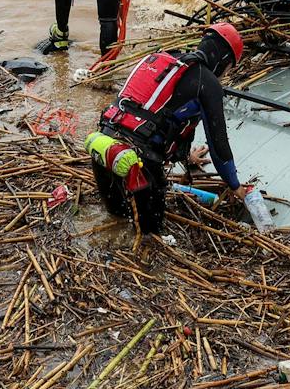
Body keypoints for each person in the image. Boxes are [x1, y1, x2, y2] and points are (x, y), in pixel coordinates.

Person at [85, 23, 249, 237]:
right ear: (224, 60)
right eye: (229, 68)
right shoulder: (207, 82)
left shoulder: (162, 59)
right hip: (138, 165)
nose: (225, 74)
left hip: (105, 150)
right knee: (150, 239)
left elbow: (150, 113)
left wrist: (186, 156)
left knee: (115, 223)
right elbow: (219, 147)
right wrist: (236, 186)